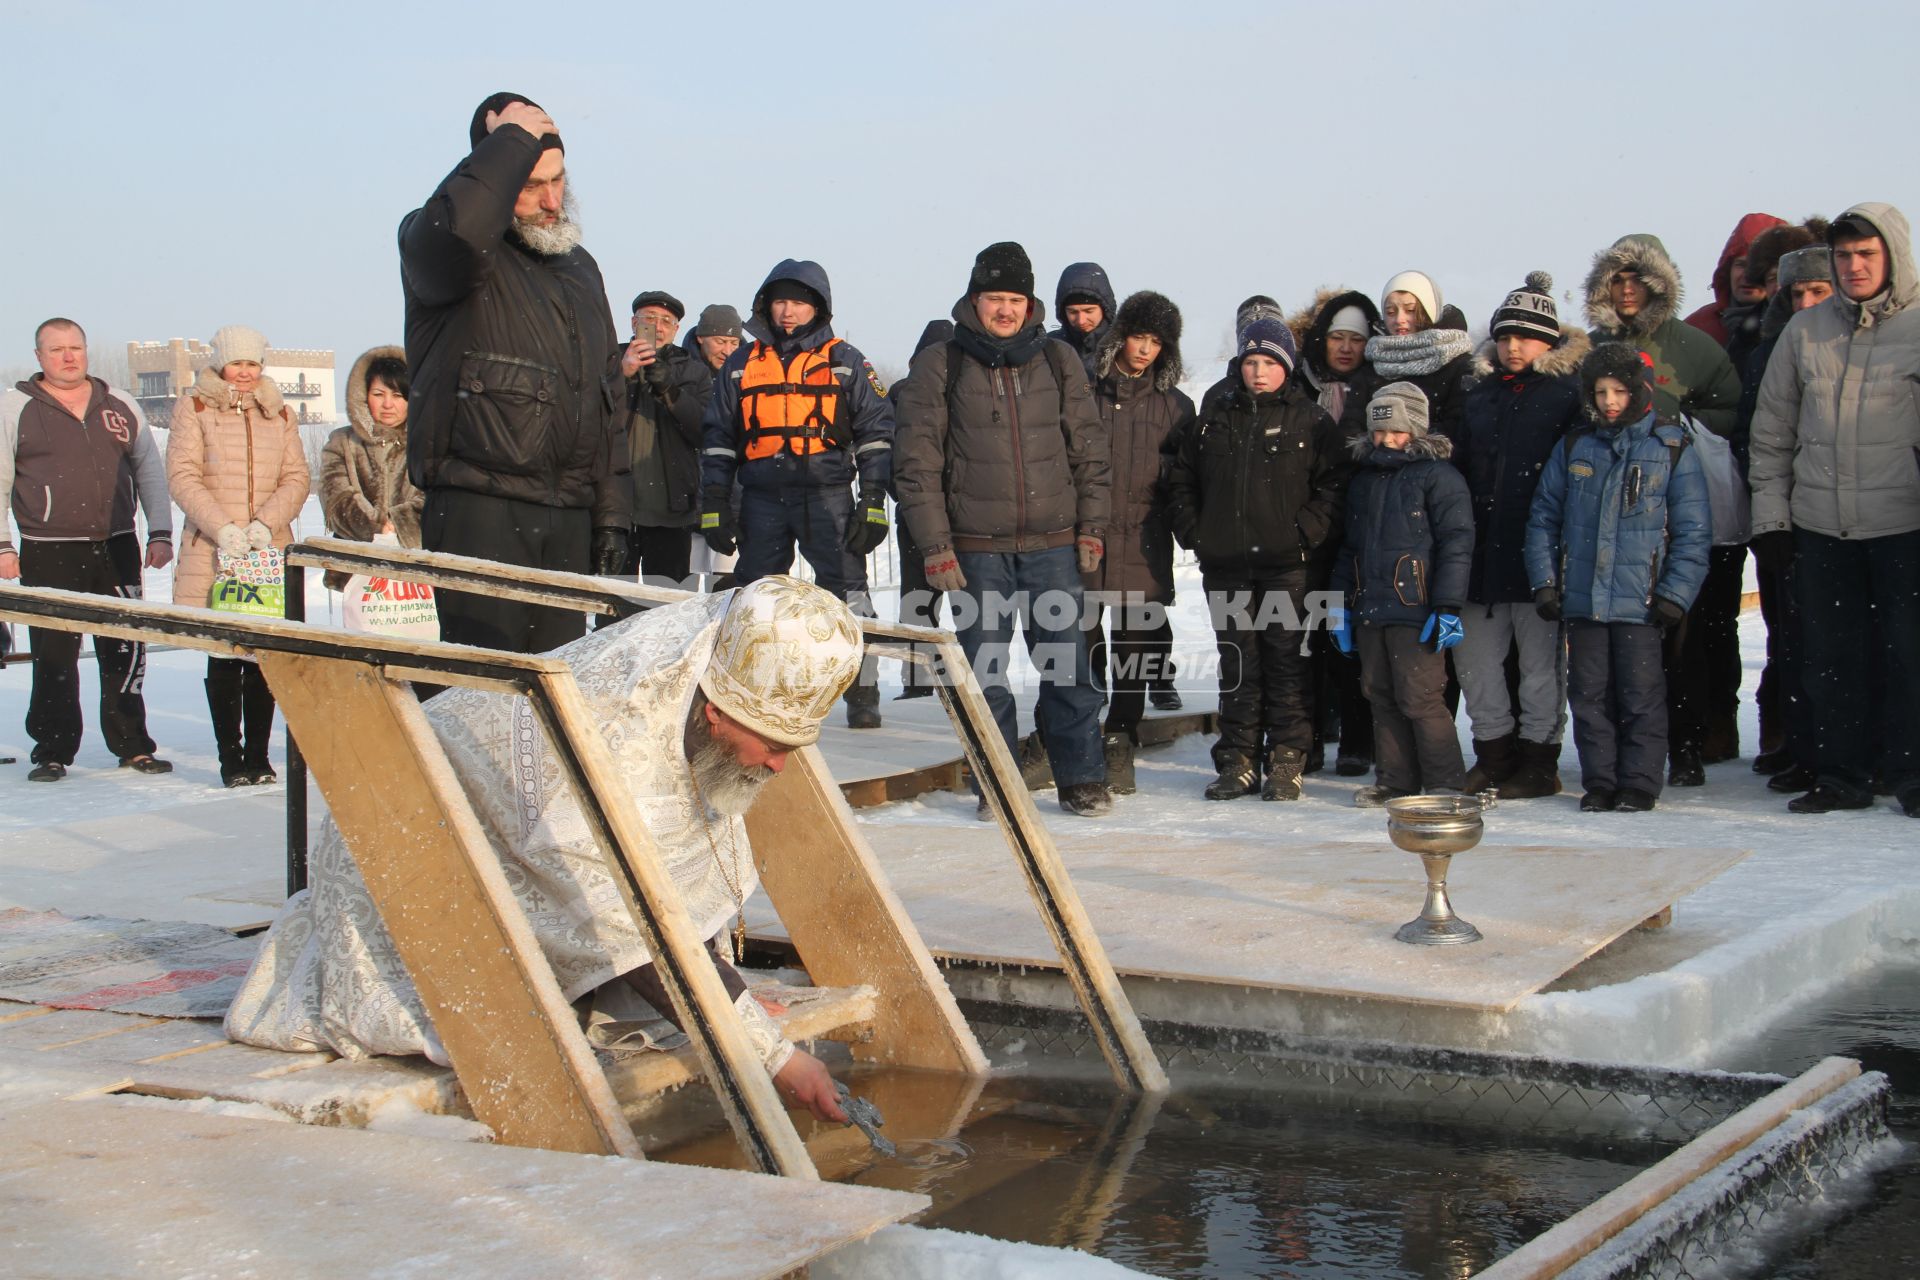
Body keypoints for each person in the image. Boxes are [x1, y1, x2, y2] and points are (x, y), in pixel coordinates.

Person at [225, 576, 866, 1124]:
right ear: (717, 715)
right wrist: (770, 1053)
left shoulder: (723, 642)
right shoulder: (626, 734)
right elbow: (638, 924)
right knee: (508, 1013)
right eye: (773, 746)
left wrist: (732, 1002)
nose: (781, 767)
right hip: (416, 832)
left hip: (520, 814)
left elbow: (675, 870)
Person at [401, 92, 629, 655]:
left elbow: (606, 396)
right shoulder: (448, 253)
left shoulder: (580, 267)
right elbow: (458, 230)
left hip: (566, 513)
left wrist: (612, 513)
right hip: (480, 504)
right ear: (496, 178)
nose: (553, 202)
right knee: (484, 689)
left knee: (553, 690)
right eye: (530, 186)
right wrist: (511, 142)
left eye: (558, 181)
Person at [895, 242, 1113, 817]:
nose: (1007, 309)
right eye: (996, 298)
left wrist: (1092, 526)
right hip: (974, 551)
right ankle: (999, 785)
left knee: (1067, 667)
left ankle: (1082, 777)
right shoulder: (940, 364)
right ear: (975, 299)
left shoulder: (1059, 361)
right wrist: (936, 547)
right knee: (984, 676)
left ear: (1031, 303)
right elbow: (917, 465)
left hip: (1055, 546)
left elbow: (1089, 452)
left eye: (1016, 299)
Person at [1749, 203, 1920, 819]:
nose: (1854, 266)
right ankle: (1840, 774)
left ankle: (1910, 773)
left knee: (1909, 656)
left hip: (1904, 525)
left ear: (1892, 255)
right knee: (1830, 658)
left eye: (1866, 255)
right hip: (1820, 525)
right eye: (1844, 256)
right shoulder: (1806, 331)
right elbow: (1772, 435)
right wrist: (1771, 522)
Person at [698, 260, 892, 727]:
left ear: (818, 307)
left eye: (800, 303)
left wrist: (873, 502)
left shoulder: (846, 361)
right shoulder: (742, 365)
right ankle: (746, 690)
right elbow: (719, 439)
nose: (789, 312)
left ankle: (861, 693)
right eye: (781, 301)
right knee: (754, 596)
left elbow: (877, 434)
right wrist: (714, 507)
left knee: (848, 594)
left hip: (828, 494)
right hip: (762, 496)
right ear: (766, 304)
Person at [1583, 233, 1744, 783]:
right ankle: (1623, 753)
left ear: (1659, 285)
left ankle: (1692, 741)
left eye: (1638, 280)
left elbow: (1727, 402)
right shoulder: (1590, 345)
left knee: (1689, 635)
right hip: (1610, 517)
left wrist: (1686, 432)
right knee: (1616, 652)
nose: (1627, 290)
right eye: (1617, 279)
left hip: (1675, 507)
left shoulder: (1691, 343)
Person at [1166, 312, 1345, 802]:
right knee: (1237, 663)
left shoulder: (1311, 420)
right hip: (1226, 566)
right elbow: (1181, 479)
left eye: (1269, 361)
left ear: (1286, 366)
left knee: (1287, 663)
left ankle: (1286, 758)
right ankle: (1238, 759)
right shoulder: (1213, 418)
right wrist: (1197, 533)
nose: (1259, 371)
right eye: (1251, 361)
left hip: (1287, 567)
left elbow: (1332, 487)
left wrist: (1303, 534)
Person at [1526, 343, 1710, 813]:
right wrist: (1546, 581)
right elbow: (1544, 517)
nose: (1609, 401)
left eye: (1620, 391)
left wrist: (1674, 594)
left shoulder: (1669, 447)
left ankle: (1640, 781)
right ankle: (1601, 781)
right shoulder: (1575, 446)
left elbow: (1693, 531)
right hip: (1584, 600)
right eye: (1600, 391)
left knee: (1641, 695)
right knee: (1589, 697)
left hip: (1642, 603)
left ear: (1639, 392)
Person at [1, 318, 174, 781]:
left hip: (117, 545)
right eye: (56, 349)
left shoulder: (119, 403)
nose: (68, 357)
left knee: (124, 650)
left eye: (75, 347)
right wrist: (3, 545)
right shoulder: (15, 408)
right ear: (39, 356)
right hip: (48, 547)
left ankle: (133, 745)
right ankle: (53, 749)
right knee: (54, 654)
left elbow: (149, 472)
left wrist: (160, 531)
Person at [1454, 273, 1591, 799]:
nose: (1514, 347)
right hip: (1479, 557)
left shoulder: (1566, 396)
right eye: (1506, 336)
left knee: (1540, 668)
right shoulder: (1478, 397)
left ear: (1549, 341)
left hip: (1538, 556)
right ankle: (1493, 754)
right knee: (1479, 667)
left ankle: (1538, 759)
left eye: (1527, 336)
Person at [167, 326, 311, 788]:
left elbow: (296, 478)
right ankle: (231, 756)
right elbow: (182, 475)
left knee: (262, 655)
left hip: (265, 550)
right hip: (216, 551)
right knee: (226, 655)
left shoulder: (280, 414)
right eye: (237, 363)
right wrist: (222, 527)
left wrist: (264, 524)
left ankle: (258, 755)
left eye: (252, 364)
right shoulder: (195, 409)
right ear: (220, 364)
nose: (245, 372)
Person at [1328, 383, 1473, 805]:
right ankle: (1396, 781)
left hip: (1417, 608)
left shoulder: (1439, 477)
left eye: (1396, 430)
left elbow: (1457, 542)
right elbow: (1349, 548)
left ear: (1416, 429)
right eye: (1379, 432)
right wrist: (1339, 606)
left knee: (1421, 697)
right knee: (1380, 695)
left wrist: (1446, 605)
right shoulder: (1364, 481)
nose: (1386, 440)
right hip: (1372, 608)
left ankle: (1446, 784)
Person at [1083, 291, 1195, 791]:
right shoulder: (1084, 391)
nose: (1145, 349)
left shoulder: (1176, 406)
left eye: (1156, 341)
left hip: (1145, 541)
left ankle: (1120, 739)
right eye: (1138, 337)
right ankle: (1079, 732)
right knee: (1080, 641)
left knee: (1134, 649)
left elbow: (1187, 479)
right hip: (1086, 538)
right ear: (1120, 335)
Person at [1735, 245, 1832, 794]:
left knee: (1837, 640)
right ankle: (1801, 745)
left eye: (1818, 290)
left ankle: (1852, 750)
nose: (1805, 302)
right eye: (1796, 292)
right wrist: (1770, 509)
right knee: (1788, 640)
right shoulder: (1768, 350)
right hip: (1780, 515)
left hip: (1841, 511)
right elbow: (1756, 436)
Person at [1290, 288, 1382, 777]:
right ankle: (1308, 739)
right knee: (1308, 642)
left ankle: (1357, 738)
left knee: (1352, 644)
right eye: (1337, 338)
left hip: (1361, 531)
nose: (1346, 348)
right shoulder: (1300, 384)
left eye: (1356, 340)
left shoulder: (1379, 388)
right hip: (1307, 531)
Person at [621, 290, 712, 588]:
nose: (657, 327)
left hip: (671, 506)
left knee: (668, 603)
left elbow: (703, 429)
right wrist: (623, 374)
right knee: (612, 602)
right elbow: (591, 414)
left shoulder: (694, 372)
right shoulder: (610, 359)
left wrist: (669, 390)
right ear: (634, 323)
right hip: (616, 505)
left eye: (666, 321)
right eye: (649, 319)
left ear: (675, 330)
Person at [319, 346, 422, 592]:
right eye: (379, 394)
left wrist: (401, 524)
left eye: (398, 395)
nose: (388, 404)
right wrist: (376, 528)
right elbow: (336, 498)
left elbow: (436, 500)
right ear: (363, 395)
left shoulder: (427, 444)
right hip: (356, 571)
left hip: (417, 570)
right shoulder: (342, 443)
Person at [888, 319, 955, 698]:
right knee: (919, 603)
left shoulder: (965, 395)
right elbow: (885, 451)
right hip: (918, 512)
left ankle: (943, 684)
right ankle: (918, 683)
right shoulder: (901, 396)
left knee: (928, 603)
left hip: (957, 514)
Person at [1337, 271, 1478, 449]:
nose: (1399, 319)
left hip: (1434, 467)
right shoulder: (1371, 368)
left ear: (1429, 311)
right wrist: (1378, 449)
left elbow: (1458, 427)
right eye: (1390, 312)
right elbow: (1351, 427)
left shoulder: (1457, 365)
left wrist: (1412, 448)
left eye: (1410, 310)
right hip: (1376, 467)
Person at [685, 306, 748, 590]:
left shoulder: (748, 373)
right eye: (720, 341)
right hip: (685, 502)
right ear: (701, 338)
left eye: (734, 342)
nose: (727, 350)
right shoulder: (680, 371)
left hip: (733, 501)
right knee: (681, 594)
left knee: (726, 589)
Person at [1683, 212, 1786, 351]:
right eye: (1741, 264)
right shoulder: (1698, 328)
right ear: (1727, 270)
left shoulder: (1796, 327)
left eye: (1757, 266)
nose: (1748, 275)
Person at [1050, 262, 1118, 377]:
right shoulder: (1049, 347)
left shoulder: (1125, 346)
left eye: (1089, 311)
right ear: (1063, 311)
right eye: (1073, 312)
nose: (1081, 320)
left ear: (1105, 308)